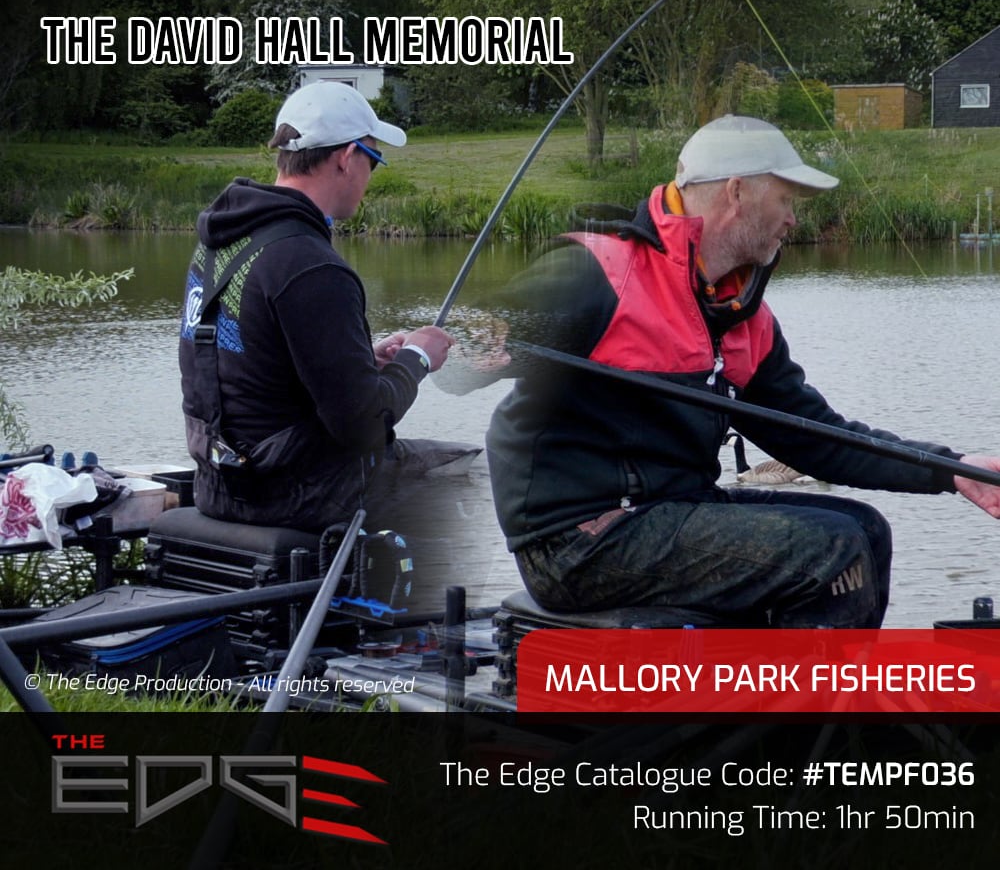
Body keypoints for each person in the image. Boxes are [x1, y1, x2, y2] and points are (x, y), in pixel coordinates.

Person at [485, 115, 1000, 628]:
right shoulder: (594, 273)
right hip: (576, 540)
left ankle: (793, 673)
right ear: (737, 193)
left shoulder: (740, 314)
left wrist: (952, 469)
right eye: (786, 200)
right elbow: (471, 344)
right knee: (832, 549)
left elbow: (817, 438)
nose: (793, 220)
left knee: (865, 528)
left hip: (675, 510)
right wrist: (458, 348)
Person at [179, 81, 457, 533]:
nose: (370, 175)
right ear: (346, 158)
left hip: (221, 487)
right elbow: (364, 426)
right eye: (373, 160)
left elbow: (248, 371)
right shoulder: (310, 265)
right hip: (294, 496)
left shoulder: (221, 244)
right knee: (459, 471)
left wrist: (359, 361)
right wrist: (417, 358)